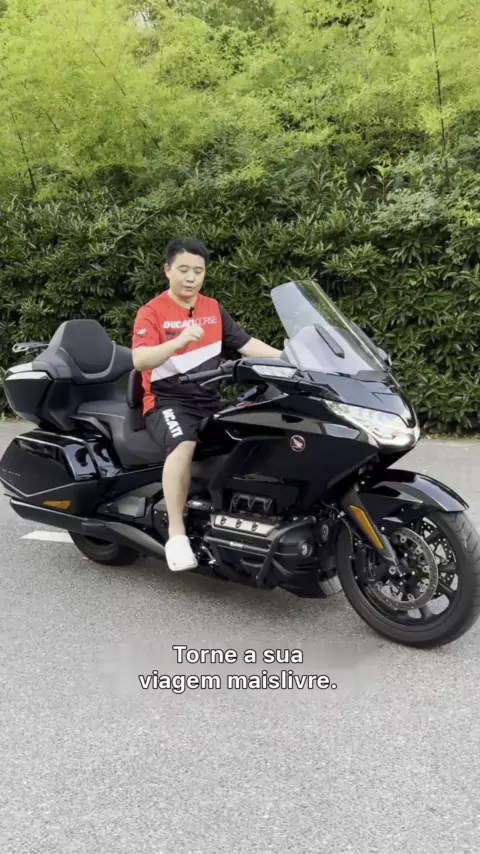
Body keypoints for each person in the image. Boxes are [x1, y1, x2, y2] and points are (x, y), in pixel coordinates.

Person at [131, 236, 282, 572]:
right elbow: (141, 360)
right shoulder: (151, 312)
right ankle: (176, 534)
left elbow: (245, 343)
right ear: (167, 270)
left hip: (208, 399)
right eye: (183, 269)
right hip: (167, 401)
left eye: (198, 271)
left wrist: (289, 357)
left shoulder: (212, 308)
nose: (191, 277)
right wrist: (179, 341)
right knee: (184, 444)